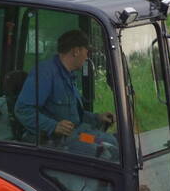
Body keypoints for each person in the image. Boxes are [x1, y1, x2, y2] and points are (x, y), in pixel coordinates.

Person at [15, 29, 118, 160]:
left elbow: (73, 117)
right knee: (106, 150)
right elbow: (22, 110)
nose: (87, 57)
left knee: (112, 141)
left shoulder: (68, 76)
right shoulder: (45, 73)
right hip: (55, 142)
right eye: (86, 52)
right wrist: (53, 126)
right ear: (76, 51)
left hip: (77, 135)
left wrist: (97, 118)